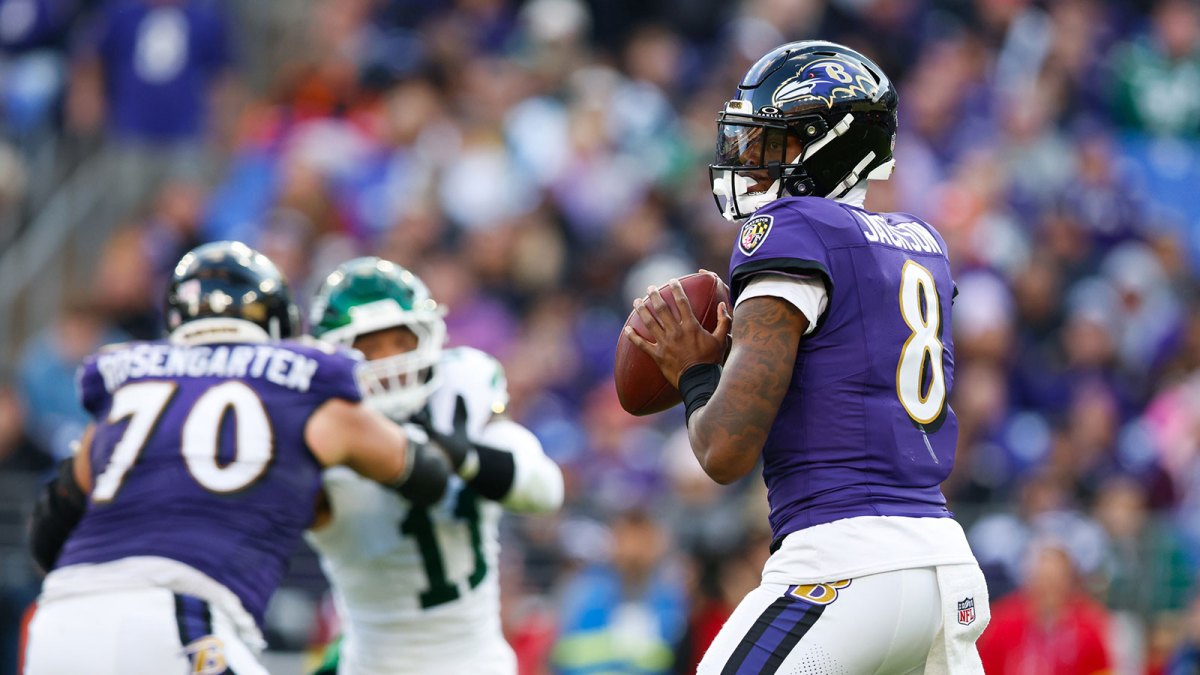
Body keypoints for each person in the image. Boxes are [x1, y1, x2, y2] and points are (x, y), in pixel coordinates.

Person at [625, 41, 990, 673]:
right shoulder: (919, 240)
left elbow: (723, 451)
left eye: (777, 142)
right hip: (946, 566)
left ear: (835, 145)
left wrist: (694, 372)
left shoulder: (793, 230)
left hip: (845, 564)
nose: (754, 162)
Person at [23, 242, 450, 675]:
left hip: (58, 625)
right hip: (179, 618)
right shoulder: (301, 385)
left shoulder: (127, 385)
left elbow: (47, 533)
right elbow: (424, 473)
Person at [304, 256, 564, 675]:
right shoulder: (317, 431)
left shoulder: (460, 391)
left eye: (399, 342)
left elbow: (545, 490)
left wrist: (465, 457)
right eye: (368, 347)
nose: (388, 364)